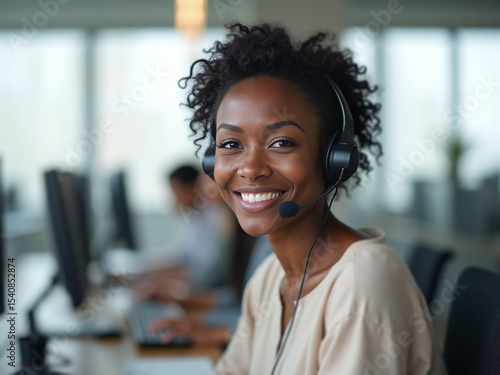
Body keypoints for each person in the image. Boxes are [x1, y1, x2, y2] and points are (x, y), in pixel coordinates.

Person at [176, 22, 448, 374]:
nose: (250, 168)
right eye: (231, 145)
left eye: (281, 143)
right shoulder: (269, 279)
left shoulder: (363, 280)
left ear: (335, 159)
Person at [135, 164, 236, 303]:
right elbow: (178, 259)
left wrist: (170, 285)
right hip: (212, 296)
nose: (173, 201)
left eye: (175, 193)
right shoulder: (193, 218)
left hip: (218, 297)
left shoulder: (219, 217)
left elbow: (211, 275)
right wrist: (145, 272)